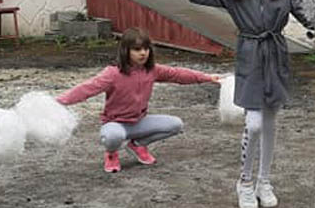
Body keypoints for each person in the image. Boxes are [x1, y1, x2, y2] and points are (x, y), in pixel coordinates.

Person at [183, 0, 313, 208]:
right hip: (251, 57)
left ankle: (264, 182)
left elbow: (309, 18)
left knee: (269, 124)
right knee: (253, 124)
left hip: (276, 58)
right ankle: (244, 182)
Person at [57, 28, 219, 173]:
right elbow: (86, 88)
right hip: (115, 124)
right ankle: (112, 154)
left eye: (146, 48)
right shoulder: (112, 73)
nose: (143, 53)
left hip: (139, 123)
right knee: (113, 137)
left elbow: (177, 74)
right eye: (137, 49)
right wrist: (59, 101)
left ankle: (137, 145)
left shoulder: (152, 70)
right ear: (125, 51)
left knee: (175, 124)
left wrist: (207, 77)